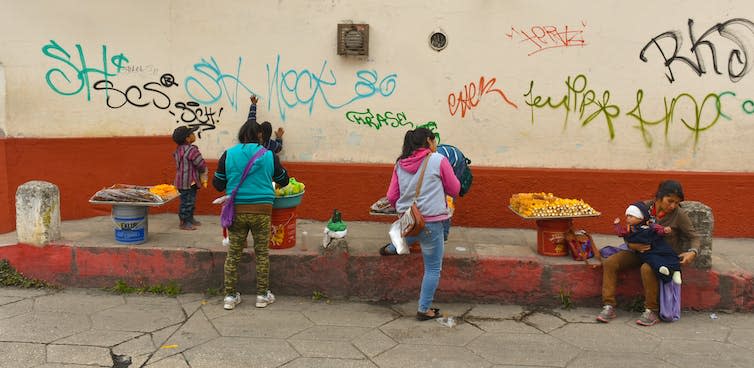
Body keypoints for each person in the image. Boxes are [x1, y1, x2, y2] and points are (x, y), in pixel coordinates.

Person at [380, 127, 460, 320]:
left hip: (409, 218)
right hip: (432, 222)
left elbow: (392, 196)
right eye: (435, 141)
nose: (436, 145)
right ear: (429, 142)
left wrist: (404, 208)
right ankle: (424, 310)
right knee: (433, 268)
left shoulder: (400, 163)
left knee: (411, 232)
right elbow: (455, 189)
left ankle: (392, 248)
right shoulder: (438, 160)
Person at [597, 180, 699, 326]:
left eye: (676, 203)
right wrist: (632, 245)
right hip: (637, 252)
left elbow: (694, 236)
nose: (673, 206)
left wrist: (692, 252)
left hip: (660, 256)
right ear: (659, 197)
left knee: (647, 269)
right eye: (670, 201)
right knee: (611, 262)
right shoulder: (642, 208)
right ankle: (609, 306)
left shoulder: (678, 214)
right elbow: (628, 231)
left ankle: (652, 310)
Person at [213, 116, 290, 310]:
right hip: (262, 211)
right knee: (262, 253)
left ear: (241, 135)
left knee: (233, 254)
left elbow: (218, 184)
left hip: (236, 211)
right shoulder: (269, 155)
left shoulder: (228, 154)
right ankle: (262, 296)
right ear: (260, 135)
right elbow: (284, 180)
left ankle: (230, 297)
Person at [613, 201, 682, 285]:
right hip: (646, 251)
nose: (628, 218)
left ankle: (677, 271)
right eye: (627, 216)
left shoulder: (649, 225)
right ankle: (662, 269)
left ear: (640, 218)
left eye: (631, 216)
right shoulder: (629, 229)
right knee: (652, 260)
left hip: (657, 245)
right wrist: (617, 225)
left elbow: (658, 229)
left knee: (670, 253)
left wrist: (664, 230)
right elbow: (620, 233)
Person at [172, 125, 208, 231]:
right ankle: (184, 222)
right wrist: (203, 171)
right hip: (189, 182)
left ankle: (190, 219)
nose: (194, 135)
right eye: (192, 134)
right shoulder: (192, 150)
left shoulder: (178, 150)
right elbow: (200, 163)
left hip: (180, 181)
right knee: (188, 202)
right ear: (187, 138)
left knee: (187, 201)